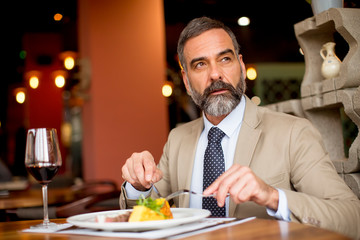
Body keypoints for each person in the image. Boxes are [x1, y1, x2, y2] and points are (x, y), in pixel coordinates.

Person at [120, 17, 360, 238]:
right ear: (186, 79)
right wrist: (137, 187)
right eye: (200, 64)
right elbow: (144, 214)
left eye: (225, 59)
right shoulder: (178, 139)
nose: (215, 74)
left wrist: (273, 196)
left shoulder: (293, 133)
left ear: (241, 66)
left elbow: (352, 218)